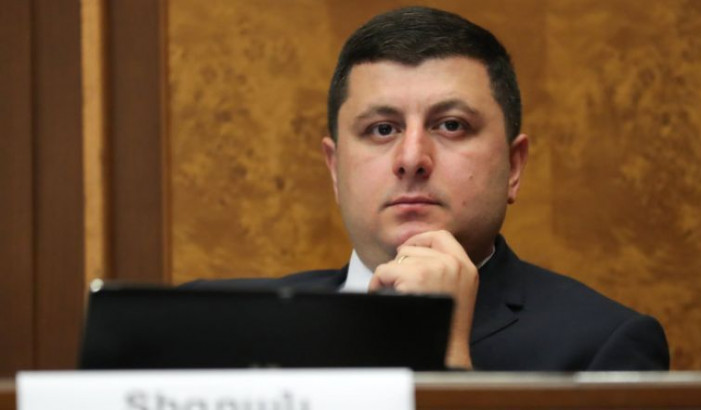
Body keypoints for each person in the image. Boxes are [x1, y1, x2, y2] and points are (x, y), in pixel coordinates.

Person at [188, 6, 669, 371]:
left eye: (452, 125)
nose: (412, 158)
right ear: (335, 169)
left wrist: (444, 355)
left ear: (514, 166)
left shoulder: (603, 347)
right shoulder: (209, 328)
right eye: (382, 129)